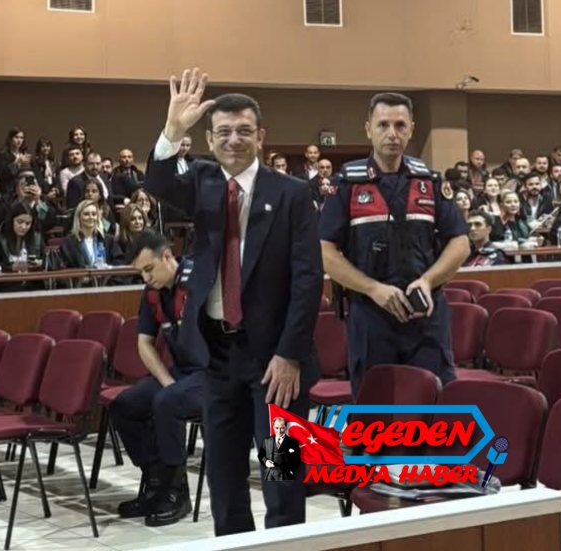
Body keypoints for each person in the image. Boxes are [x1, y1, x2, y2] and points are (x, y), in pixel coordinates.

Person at [145, 67, 322, 536]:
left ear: (261, 136)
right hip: (218, 357)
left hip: (276, 363)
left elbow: (308, 280)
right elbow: (158, 183)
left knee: (282, 475)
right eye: (223, 132)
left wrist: (289, 354)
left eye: (244, 131)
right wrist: (172, 130)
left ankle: (287, 546)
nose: (233, 140)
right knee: (223, 477)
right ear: (209, 138)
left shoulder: (292, 193)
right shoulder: (202, 181)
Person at [319, 92, 470, 396]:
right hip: (371, 316)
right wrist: (374, 289)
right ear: (368, 129)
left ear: (411, 129)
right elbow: (325, 252)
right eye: (383, 125)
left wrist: (428, 281)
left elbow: (460, 242)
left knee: (435, 406)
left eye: (400, 125)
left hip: (425, 315)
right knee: (377, 410)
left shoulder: (430, 181)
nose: (392, 134)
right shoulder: (346, 184)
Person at [109, 231, 205, 527]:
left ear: (167, 256)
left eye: (149, 269)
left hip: (215, 374)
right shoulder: (152, 292)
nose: (146, 277)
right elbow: (144, 344)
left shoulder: (200, 279)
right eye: (140, 272)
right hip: (181, 373)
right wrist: (167, 381)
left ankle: (178, 494)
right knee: (125, 405)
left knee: (167, 402)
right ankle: (155, 483)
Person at [257, 417, 302, 481]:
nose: (279, 431)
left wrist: (292, 472)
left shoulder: (292, 442)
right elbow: (261, 454)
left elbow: (297, 459)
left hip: (285, 475)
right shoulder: (267, 441)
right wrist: (266, 462)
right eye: (276, 428)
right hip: (269, 475)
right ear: (273, 427)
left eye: (282, 428)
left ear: (285, 427)